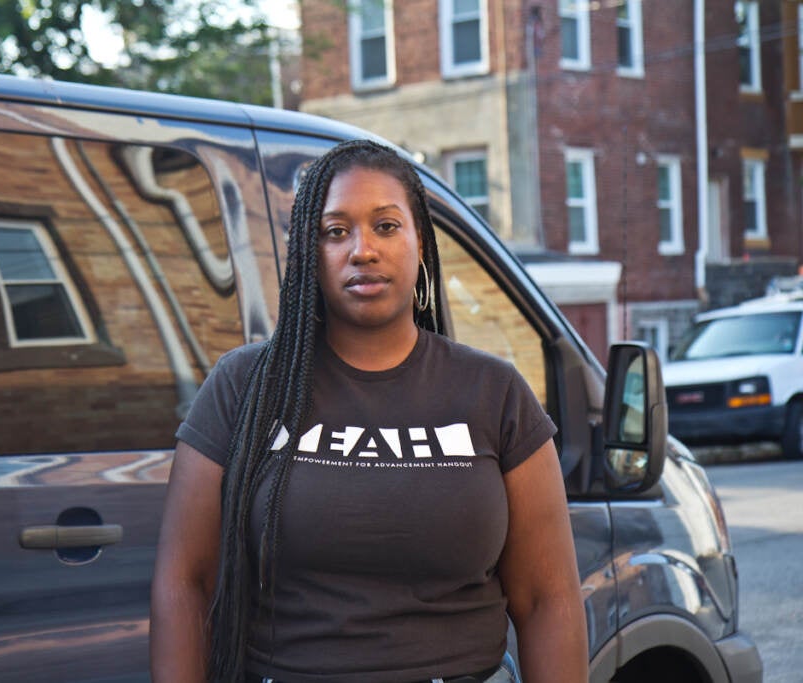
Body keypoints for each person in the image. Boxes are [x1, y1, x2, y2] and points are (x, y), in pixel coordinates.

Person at [150, 139, 588, 683]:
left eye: (386, 226)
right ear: (311, 254)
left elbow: (547, 599)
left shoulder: (493, 392)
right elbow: (184, 583)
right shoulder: (246, 387)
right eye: (336, 231)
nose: (363, 250)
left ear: (420, 243)